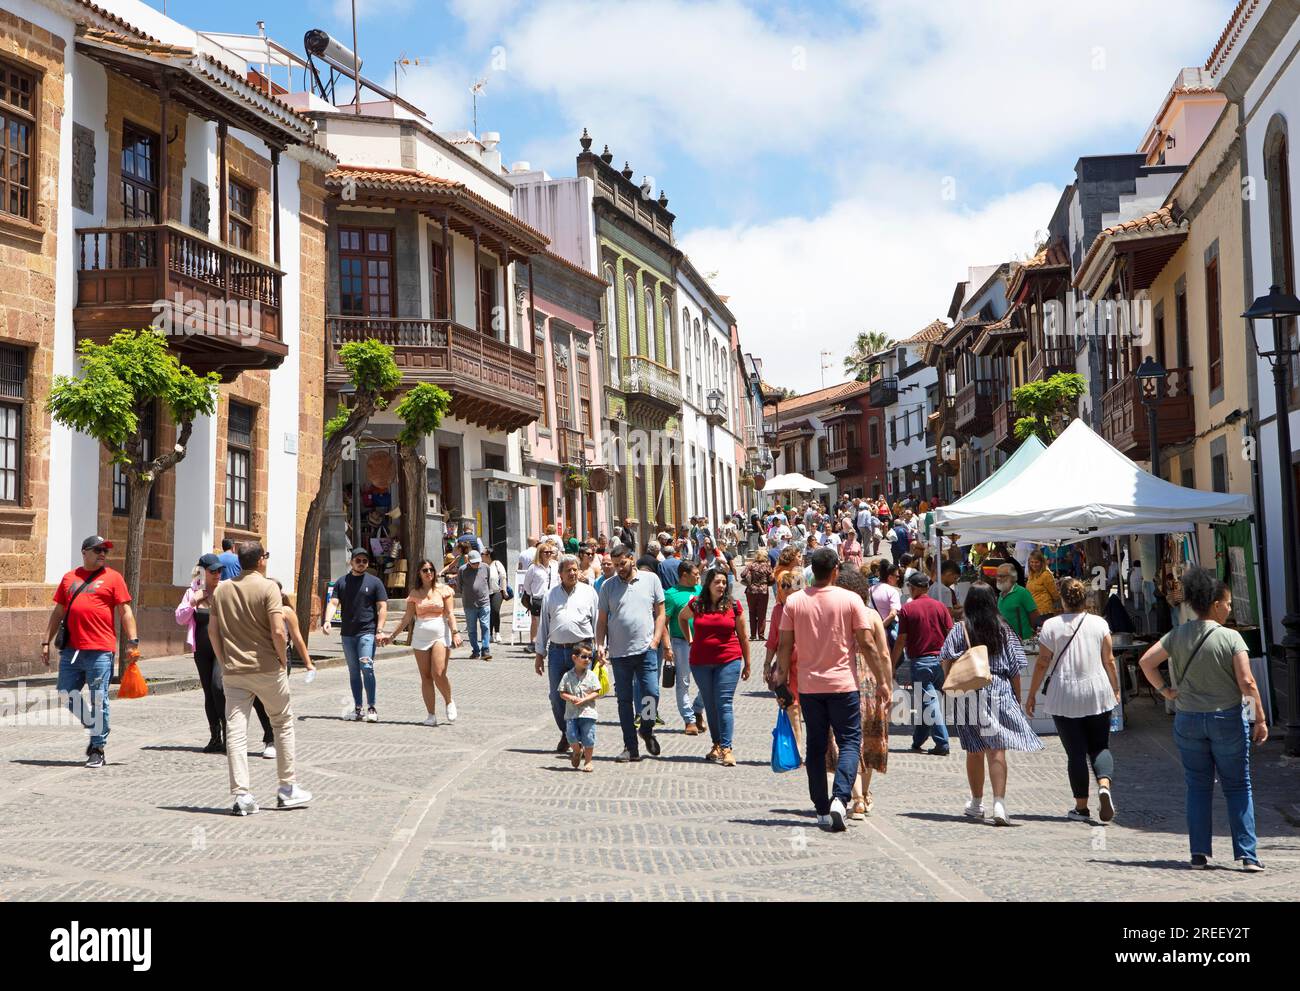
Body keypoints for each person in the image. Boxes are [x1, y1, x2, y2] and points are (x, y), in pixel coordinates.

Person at [1137, 567, 1267, 871]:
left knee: (1197, 786)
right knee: (1237, 786)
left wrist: (1165, 692)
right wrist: (1257, 719)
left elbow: (1146, 662)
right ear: (1216, 604)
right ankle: (1247, 855)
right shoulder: (1230, 638)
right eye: (1228, 603)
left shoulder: (1177, 634)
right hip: (1226, 719)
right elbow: (1247, 683)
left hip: (1189, 719)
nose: (1230, 608)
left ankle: (1199, 853)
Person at [775, 548, 890, 831]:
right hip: (843, 685)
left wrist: (780, 682)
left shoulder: (794, 603)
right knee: (850, 741)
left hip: (810, 686)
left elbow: (784, 646)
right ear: (836, 570)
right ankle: (841, 797)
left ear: (812, 571)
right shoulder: (851, 600)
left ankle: (821, 809)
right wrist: (883, 681)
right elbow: (867, 644)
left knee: (815, 746)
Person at [208, 543, 310, 815]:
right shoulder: (269, 588)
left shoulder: (222, 589)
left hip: (234, 671)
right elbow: (278, 630)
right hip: (267, 668)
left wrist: (223, 659)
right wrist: (282, 659)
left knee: (236, 731)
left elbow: (213, 632)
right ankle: (287, 788)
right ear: (262, 560)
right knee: (282, 723)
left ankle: (242, 795)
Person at [939, 583, 1042, 826]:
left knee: (974, 750)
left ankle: (976, 803)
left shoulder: (960, 628)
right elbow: (1016, 667)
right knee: (997, 749)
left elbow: (945, 658)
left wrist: (951, 683)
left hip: (967, 691)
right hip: (999, 688)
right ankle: (999, 803)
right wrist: (1016, 697)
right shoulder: (1004, 630)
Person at [1026, 577, 1119, 823]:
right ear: (1084, 598)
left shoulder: (1051, 626)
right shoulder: (1099, 623)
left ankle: (1081, 807)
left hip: (1064, 693)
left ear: (1062, 599)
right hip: (1097, 690)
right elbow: (1109, 661)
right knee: (1100, 746)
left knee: (1075, 753)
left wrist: (1032, 693)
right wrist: (1116, 688)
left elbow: (1043, 663)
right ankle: (1104, 785)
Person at [43, 536, 138, 768]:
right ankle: (96, 725)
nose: (103, 553)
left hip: (100, 650)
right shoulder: (69, 578)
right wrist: (46, 641)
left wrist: (133, 641)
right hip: (72, 650)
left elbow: (125, 611)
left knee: (99, 699)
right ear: (84, 552)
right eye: (98, 549)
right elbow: (58, 612)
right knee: (66, 694)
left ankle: (97, 748)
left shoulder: (114, 578)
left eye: (105, 550)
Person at [595, 543, 667, 762]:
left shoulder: (651, 580)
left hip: (646, 649)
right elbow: (602, 621)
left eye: (622, 563)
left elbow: (661, 613)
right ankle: (630, 747)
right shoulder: (608, 586)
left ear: (631, 559)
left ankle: (646, 728)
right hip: (619, 653)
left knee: (651, 693)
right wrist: (600, 644)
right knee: (624, 701)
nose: (619, 569)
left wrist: (656, 639)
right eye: (616, 565)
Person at [678, 566, 750, 765]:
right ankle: (716, 744)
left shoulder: (733, 605)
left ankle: (727, 748)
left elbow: (744, 636)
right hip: (700, 662)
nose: (721, 586)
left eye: (724, 582)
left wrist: (748, 663)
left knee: (724, 703)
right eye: (717, 582)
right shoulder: (697, 604)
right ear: (708, 583)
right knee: (710, 705)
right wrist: (690, 639)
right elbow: (682, 618)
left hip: (729, 660)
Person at [534, 553, 601, 755]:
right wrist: (539, 654)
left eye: (575, 569)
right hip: (556, 651)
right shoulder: (550, 595)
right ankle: (567, 732)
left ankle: (579, 738)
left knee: (581, 695)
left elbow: (598, 623)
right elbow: (544, 626)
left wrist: (600, 650)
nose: (572, 573)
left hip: (582, 651)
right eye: (568, 570)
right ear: (560, 574)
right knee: (557, 696)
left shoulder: (589, 593)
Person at [388, 559, 461, 726]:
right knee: (426, 676)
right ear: (419, 574)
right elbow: (407, 618)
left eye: (431, 570)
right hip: (420, 636)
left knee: (438, 672)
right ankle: (431, 714)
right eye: (425, 570)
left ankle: (449, 701)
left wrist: (455, 632)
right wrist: (391, 636)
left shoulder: (444, 590)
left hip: (440, 634)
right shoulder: (415, 593)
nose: (429, 573)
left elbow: (450, 614)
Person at [321, 547, 388, 721]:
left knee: (367, 667)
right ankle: (358, 708)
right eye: (358, 560)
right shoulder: (342, 582)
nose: (361, 563)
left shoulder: (375, 582)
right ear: (351, 562)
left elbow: (382, 607)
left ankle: (371, 707)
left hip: (367, 632)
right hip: (348, 634)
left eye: (364, 561)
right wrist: (327, 620)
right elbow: (334, 603)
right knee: (353, 671)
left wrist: (379, 630)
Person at [893, 572, 953, 756]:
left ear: (915, 588)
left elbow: (901, 640)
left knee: (930, 702)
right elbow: (951, 633)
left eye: (910, 587)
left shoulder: (907, 610)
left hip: (920, 663)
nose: (909, 590)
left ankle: (942, 743)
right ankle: (918, 739)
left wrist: (892, 665)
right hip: (941, 662)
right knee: (928, 701)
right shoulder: (940, 607)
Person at [176, 555, 229, 753]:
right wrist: (193, 602)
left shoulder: (225, 589)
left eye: (219, 571)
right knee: (209, 692)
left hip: (221, 649)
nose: (217, 574)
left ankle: (229, 736)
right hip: (201, 650)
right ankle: (215, 738)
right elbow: (180, 618)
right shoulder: (193, 592)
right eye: (213, 571)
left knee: (218, 687)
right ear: (202, 571)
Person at [664, 560, 707, 735]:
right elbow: (663, 622)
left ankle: (697, 708)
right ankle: (689, 719)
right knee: (683, 682)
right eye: (695, 574)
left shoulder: (701, 591)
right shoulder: (671, 594)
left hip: (702, 642)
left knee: (707, 682)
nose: (698, 576)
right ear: (684, 575)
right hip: (681, 642)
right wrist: (667, 646)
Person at [558, 641, 602, 771]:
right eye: (584, 657)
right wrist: (570, 697)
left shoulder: (592, 675)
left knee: (588, 737)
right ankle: (577, 750)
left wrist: (585, 699)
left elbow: (597, 691)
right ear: (574, 658)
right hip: (571, 713)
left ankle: (588, 762)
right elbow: (561, 692)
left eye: (590, 657)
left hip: (588, 712)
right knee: (571, 735)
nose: (587, 660)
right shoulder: (567, 676)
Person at [522, 542, 560, 653]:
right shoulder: (533, 568)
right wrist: (532, 595)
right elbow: (526, 585)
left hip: (553, 597)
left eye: (550, 552)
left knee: (552, 620)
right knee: (536, 620)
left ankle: (549, 642)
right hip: (538, 597)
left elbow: (558, 580)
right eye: (546, 552)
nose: (549, 554)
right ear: (540, 553)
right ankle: (533, 642)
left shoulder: (555, 565)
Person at [457, 550, 494, 660]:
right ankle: (475, 650)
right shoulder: (462, 570)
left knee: (485, 626)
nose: (476, 565)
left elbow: (488, 583)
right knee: (472, 629)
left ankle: (486, 649)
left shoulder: (485, 567)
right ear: (468, 561)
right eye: (473, 563)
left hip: (484, 603)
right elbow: (459, 586)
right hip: (469, 604)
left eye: (478, 562)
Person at [996, 563, 1040, 641]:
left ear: (1011, 577)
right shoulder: (1001, 594)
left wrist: (1030, 631)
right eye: (997, 576)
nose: (998, 578)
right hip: (1006, 640)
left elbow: (1034, 614)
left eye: (1002, 576)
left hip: (1022, 640)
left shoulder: (1022, 592)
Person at [739, 549, 774, 641]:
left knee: (752, 612)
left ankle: (753, 635)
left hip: (751, 591)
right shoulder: (767, 566)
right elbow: (772, 578)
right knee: (762, 613)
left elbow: (742, 574)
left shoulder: (751, 565)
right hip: (763, 591)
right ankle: (761, 635)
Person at [868, 561, 902, 649]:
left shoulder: (870, 590)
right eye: (897, 576)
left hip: (873, 632)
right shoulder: (893, 592)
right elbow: (892, 614)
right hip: (889, 633)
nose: (898, 578)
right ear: (890, 577)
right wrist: (881, 628)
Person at [1025, 550, 1062, 620]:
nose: (1034, 564)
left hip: (1045, 611)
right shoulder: (1031, 575)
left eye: (1036, 562)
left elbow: (1054, 593)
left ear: (1042, 563)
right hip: (1034, 610)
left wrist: (1058, 604)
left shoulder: (1046, 574)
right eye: (1031, 562)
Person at [484, 548, 508, 640]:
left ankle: (497, 632)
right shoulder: (482, 565)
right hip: (485, 593)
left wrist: (504, 590)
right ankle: (489, 634)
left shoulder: (497, 563)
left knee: (495, 611)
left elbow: (503, 577)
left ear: (488, 555)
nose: (481, 555)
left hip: (497, 591)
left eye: (483, 554)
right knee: (487, 613)